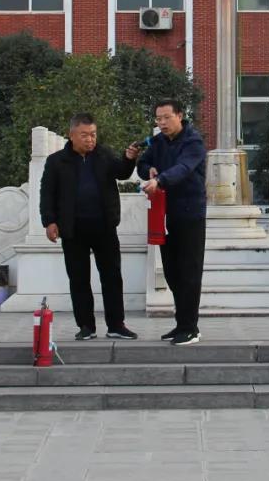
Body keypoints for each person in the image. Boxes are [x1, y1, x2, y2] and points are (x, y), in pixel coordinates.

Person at [40, 113, 141, 341]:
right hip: (72, 230)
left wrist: (129, 158)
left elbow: (122, 173)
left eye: (93, 134)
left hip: (104, 227)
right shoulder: (56, 161)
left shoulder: (103, 155)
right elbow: (47, 194)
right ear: (72, 135)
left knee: (112, 277)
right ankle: (86, 326)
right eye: (84, 135)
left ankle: (116, 325)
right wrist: (49, 221)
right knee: (79, 278)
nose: (90, 140)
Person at [137, 99, 208, 346]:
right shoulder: (157, 142)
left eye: (167, 117)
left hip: (190, 214)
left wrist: (161, 180)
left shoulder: (193, 141)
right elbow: (142, 163)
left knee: (189, 271)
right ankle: (181, 324)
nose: (162, 123)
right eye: (158, 119)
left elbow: (184, 168)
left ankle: (191, 328)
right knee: (171, 271)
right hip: (165, 214)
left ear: (180, 115)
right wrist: (150, 170)